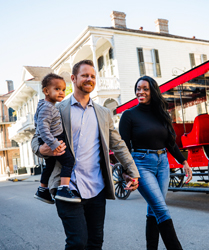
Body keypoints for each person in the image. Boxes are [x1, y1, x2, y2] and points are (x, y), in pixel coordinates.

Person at [31, 59, 140, 250]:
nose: (89, 79)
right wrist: (41, 149)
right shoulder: (57, 108)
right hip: (67, 187)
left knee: (95, 242)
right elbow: (37, 136)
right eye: (84, 75)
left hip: (96, 188)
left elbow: (119, 145)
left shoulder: (104, 113)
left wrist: (133, 171)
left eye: (92, 76)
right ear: (73, 78)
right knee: (77, 242)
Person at [119, 75, 192, 250]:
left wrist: (184, 161)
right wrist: (127, 172)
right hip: (141, 164)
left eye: (145, 88)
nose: (140, 92)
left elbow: (170, 143)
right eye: (138, 88)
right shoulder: (129, 115)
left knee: (153, 210)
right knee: (161, 209)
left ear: (153, 91)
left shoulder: (162, 115)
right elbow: (123, 147)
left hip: (163, 164)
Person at [34, 73, 80, 204]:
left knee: (50, 165)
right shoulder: (47, 108)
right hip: (53, 139)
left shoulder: (45, 106)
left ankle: (42, 190)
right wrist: (53, 143)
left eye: (64, 89)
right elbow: (42, 128)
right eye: (57, 89)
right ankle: (63, 188)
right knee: (68, 161)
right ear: (46, 91)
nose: (61, 92)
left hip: (51, 139)